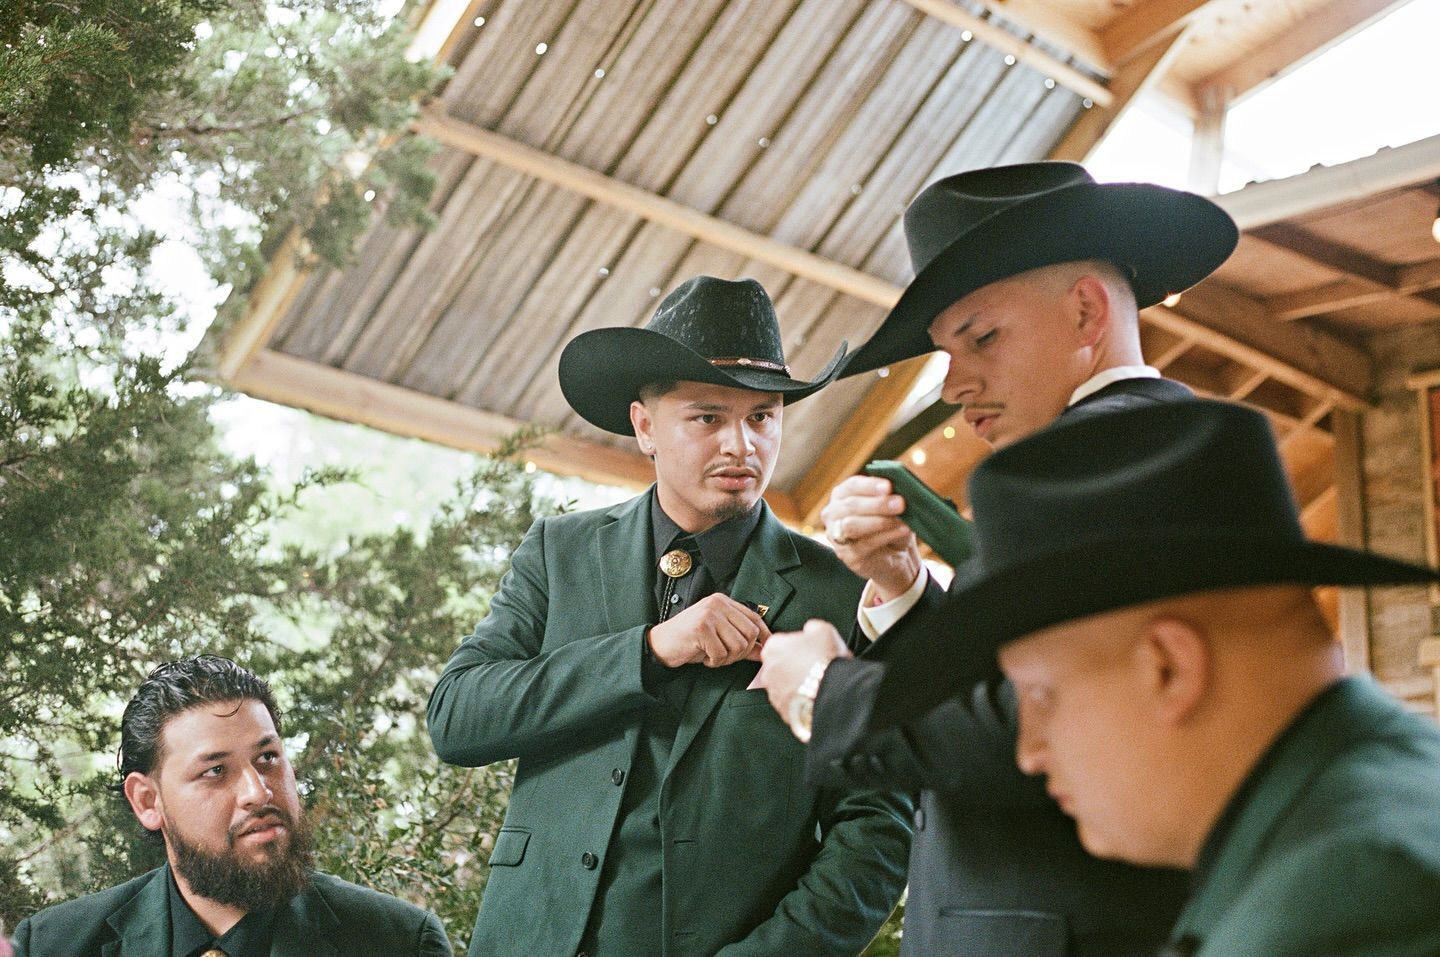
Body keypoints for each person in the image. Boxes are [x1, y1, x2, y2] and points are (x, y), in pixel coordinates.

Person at [756, 161, 1238, 956]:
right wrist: (903, 584)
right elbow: (1021, 676)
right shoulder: (1148, 446)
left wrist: (820, 689)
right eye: (946, 352)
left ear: (1086, 311)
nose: (953, 385)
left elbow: (1043, 719)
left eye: (981, 337)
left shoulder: (1094, 455)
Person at [427, 276, 912, 957]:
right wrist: (647, 650)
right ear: (645, 425)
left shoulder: (844, 592)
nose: (741, 445)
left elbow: (878, 830)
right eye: (708, 418)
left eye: (762, 417)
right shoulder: (560, 552)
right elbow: (456, 716)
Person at [907, 399, 1440, 957]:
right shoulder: (1330, 830)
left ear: (1169, 666)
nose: (1030, 751)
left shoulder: (1351, 898)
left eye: (1040, 694)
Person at [10, 655, 451, 957]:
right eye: (215, 771)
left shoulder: (398, 942)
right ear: (148, 801)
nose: (258, 792)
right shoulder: (55, 946)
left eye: (268, 759)